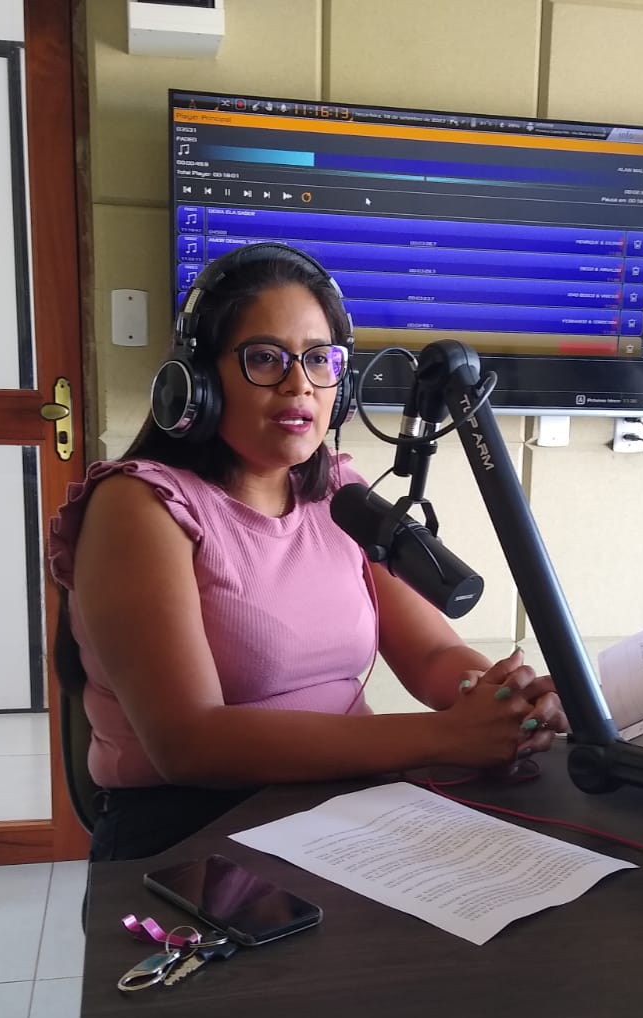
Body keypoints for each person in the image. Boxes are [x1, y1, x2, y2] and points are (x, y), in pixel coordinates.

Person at [49, 242, 568, 861]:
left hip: (347, 803)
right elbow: (189, 743)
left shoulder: (339, 493)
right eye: (264, 358)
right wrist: (444, 736)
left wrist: (500, 703)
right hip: (190, 825)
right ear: (199, 382)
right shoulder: (139, 507)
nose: (299, 383)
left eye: (320, 359)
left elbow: (430, 653)